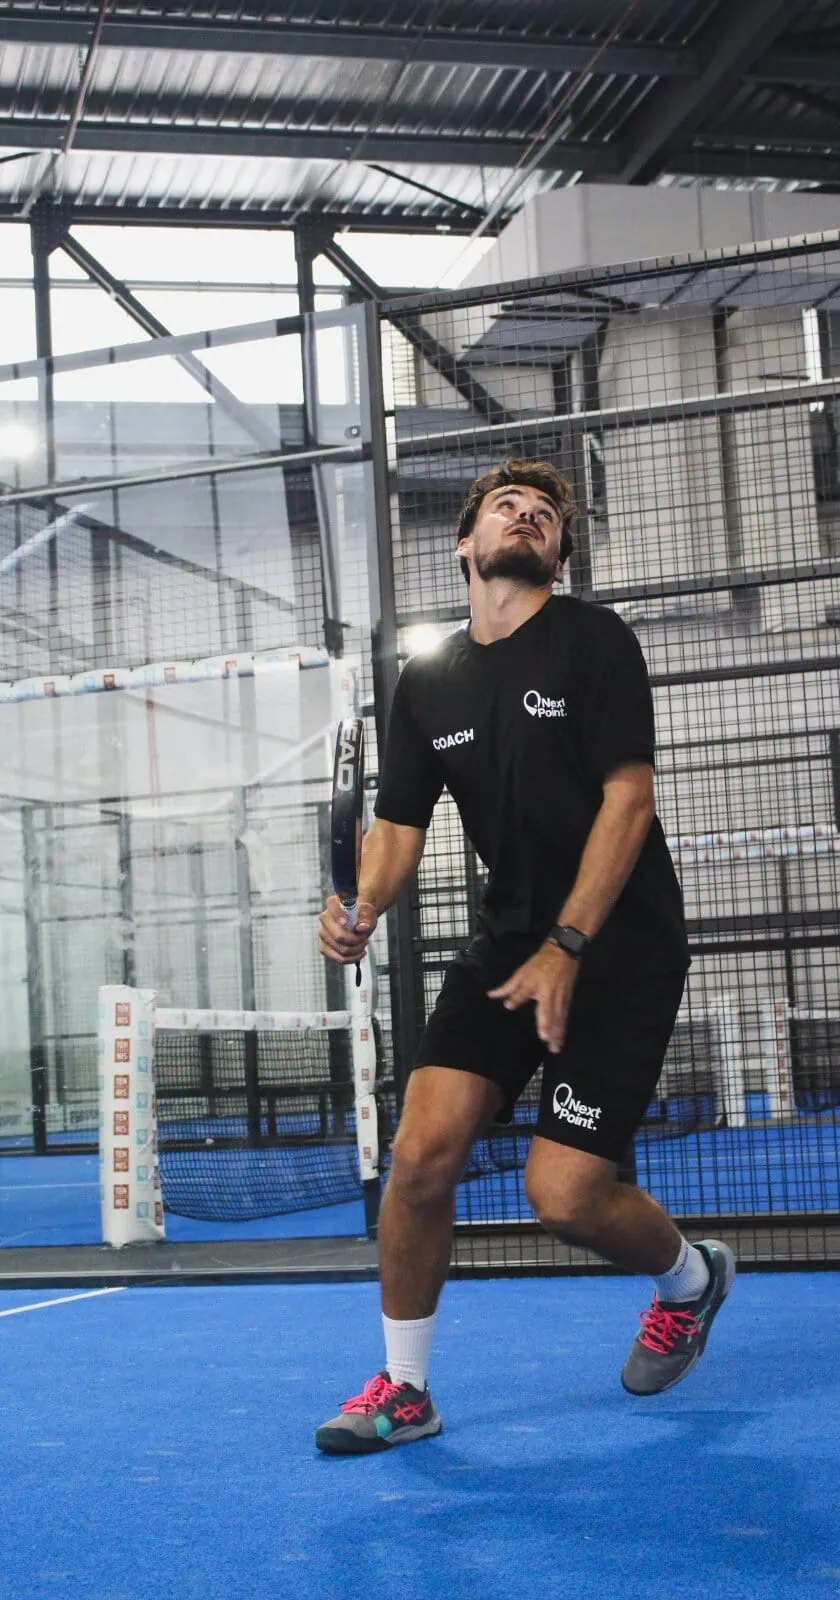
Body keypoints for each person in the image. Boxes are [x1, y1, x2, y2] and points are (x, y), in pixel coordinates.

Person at [315, 459, 732, 1455]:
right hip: (506, 947)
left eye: (546, 513)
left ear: (557, 553)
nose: (529, 515)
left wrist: (567, 944)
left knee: (565, 1197)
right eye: (508, 506)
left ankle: (690, 1279)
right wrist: (361, 904)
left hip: (620, 947)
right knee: (420, 1157)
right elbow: (399, 828)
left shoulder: (594, 639)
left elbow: (630, 800)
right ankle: (405, 1389)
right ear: (466, 543)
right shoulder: (427, 681)